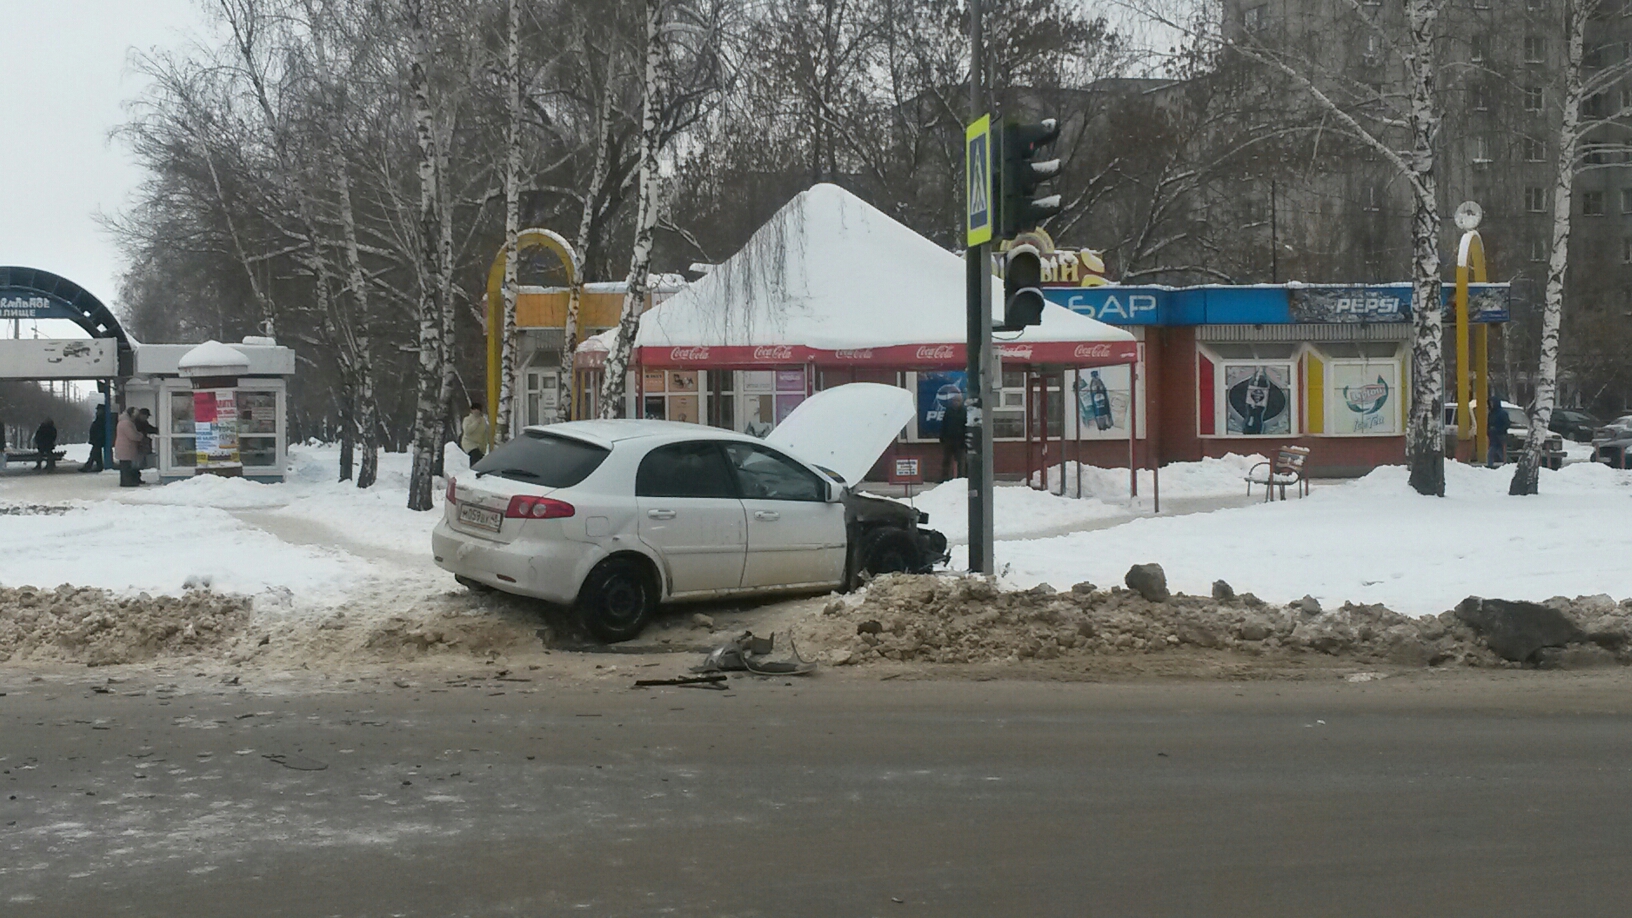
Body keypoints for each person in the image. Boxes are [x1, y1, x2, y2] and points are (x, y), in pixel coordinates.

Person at [938, 390, 967, 481]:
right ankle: (944, 477)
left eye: (957, 401)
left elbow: (966, 426)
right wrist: (942, 437)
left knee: (960, 461)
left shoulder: (964, 412)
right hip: (949, 439)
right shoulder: (948, 411)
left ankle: (961, 478)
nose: (955, 403)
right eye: (954, 401)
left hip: (960, 440)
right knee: (946, 460)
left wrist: (965, 440)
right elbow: (944, 424)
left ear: (961, 402)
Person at [115, 408, 143, 487]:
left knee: (125, 465)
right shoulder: (126, 423)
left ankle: (126, 481)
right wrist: (140, 436)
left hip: (124, 447)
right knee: (126, 466)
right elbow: (132, 435)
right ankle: (127, 482)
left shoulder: (123, 422)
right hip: (126, 447)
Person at [80, 404, 108, 473]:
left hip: (98, 439)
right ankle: (98, 466)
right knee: (96, 453)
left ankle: (88, 466)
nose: (97, 411)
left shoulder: (102, 418)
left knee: (94, 453)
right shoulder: (102, 417)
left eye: (98, 409)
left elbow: (99, 428)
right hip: (97, 438)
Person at [1487, 391, 1510, 468]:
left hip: (1500, 435)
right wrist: (1489, 431)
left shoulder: (1502, 413)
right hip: (1493, 436)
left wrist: (1498, 430)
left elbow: (1507, 424)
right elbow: (1488, 423)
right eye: (1490, 403)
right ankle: (1507, 464)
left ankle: (1507, 464)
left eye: (1492, 403)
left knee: (1499, 451)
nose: (1491, 404)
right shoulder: (1491, 413)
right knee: (1495, 451)